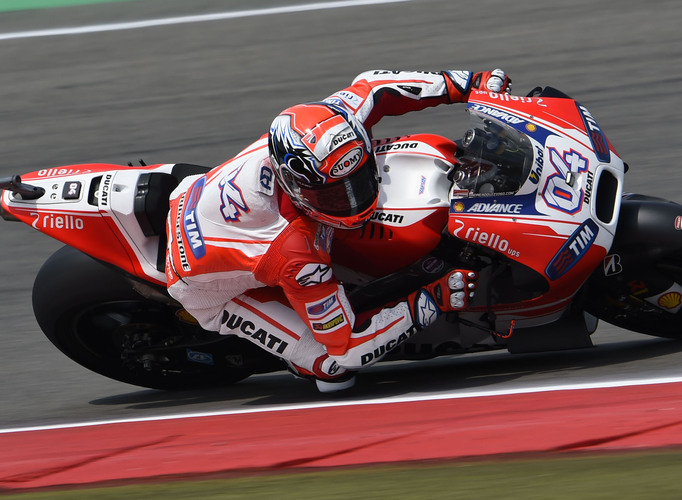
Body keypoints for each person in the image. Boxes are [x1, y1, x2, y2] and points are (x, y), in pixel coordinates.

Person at [165, 69, 512, 391]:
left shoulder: (329, 123)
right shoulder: (295, 254)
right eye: (333, 195)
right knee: (333, 368)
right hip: (207, 287)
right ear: (295, 186)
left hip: (202, 196)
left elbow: (375, 87)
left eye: (357, 179)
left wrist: (467, 84)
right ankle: (298, 359)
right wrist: (432, 300)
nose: (352, 200)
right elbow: (348, 347)